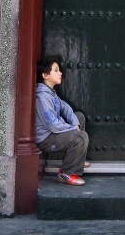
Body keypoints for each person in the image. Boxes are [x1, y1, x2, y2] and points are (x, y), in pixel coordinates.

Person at [34, 56, 90, 186]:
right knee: (80, 137)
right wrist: (73, 129)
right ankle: (66, 173)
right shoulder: (42, 97)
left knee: (79, 117)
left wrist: (75, 123)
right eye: (56, 70)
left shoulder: (50, 92)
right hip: (46, 139)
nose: (60, 73)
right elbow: (52, 125)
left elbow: (65, 107)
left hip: (53, 132)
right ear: (45, 75)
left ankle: (77, 160)